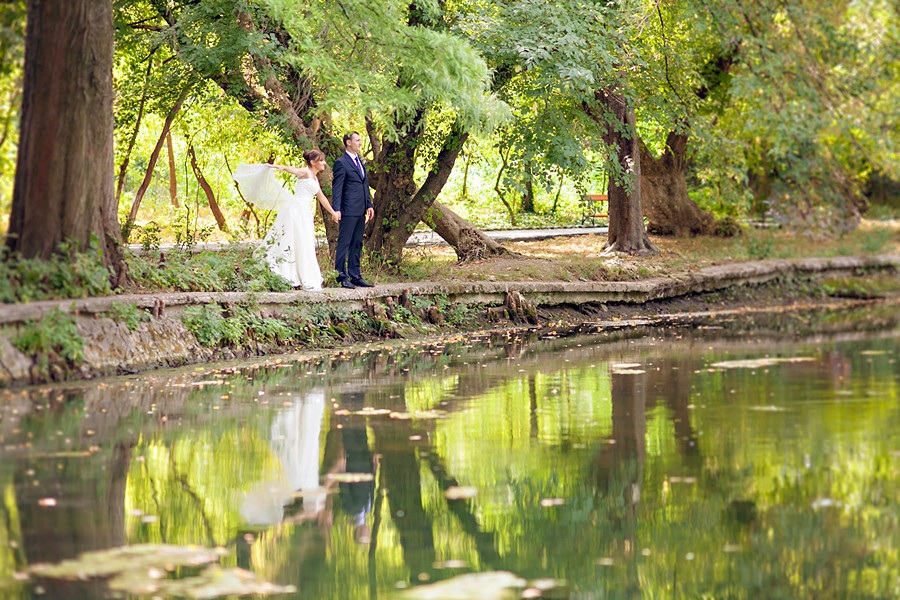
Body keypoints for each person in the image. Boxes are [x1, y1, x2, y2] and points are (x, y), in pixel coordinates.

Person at [233, 150, 339, 291]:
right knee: (291, 240)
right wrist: (279, 167)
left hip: (305, 212)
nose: (324, 163)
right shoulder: (305, 172)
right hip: (296, 210)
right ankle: (285, 273)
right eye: (321, 161)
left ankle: (299, 275)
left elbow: (321, 197)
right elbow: (293, 170)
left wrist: (333, 213)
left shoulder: (315, 178)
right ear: (313, 162)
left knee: (303, 243)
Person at [331, 132, 375, 289]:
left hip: (361, 209)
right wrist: (336, 209)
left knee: (357, 242)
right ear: (348, 143)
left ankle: (355, 275)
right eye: (358, 140)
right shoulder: (341, 163)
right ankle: (341, 275)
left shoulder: (360, 162)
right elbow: (337, 188)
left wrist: (369, 204)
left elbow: (364, 185)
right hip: (348, 209)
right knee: (345, 242)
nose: (360, 143)